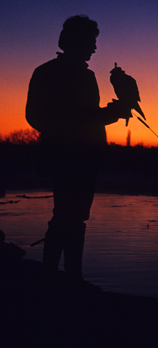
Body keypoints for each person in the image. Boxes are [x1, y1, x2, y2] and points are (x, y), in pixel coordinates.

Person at [26, 15, 129, 287]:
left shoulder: (85, 74)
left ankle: (69, 276)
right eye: (91, 41)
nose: (95, 48)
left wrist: (109, 114)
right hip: (68, 156)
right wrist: (105, 115)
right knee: (66, 214)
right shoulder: (48, 72)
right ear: (76, 41)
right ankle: (59, 277)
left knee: (75, 215)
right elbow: (37, 116)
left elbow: (86, 116)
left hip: (86, 155)